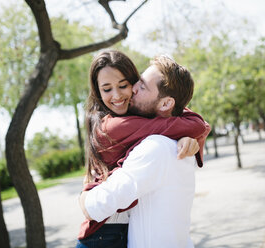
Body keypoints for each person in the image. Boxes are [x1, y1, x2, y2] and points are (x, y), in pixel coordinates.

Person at [76, 51, 210, 247]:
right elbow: (196, 124)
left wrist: (190, 138)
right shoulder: (110, 126)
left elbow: (186, 120)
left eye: (126, 85)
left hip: (119, 231)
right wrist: (84, 199)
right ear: (97, 91)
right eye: (106, 89)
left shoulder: (152, 135)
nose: (120, 94)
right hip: (103, 234)